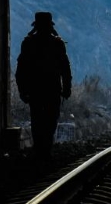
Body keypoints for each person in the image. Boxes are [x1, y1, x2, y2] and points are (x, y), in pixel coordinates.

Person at [14, 11, 73, 168]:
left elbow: (21, 69)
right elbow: (65, 69)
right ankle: (45, 151)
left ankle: (40, 151)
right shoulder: (57, 43)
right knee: (50, 120)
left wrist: (22, 90)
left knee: (37, 120)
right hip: (52, 89)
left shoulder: (28, 43)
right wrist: (67, 88)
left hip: (35, 90)